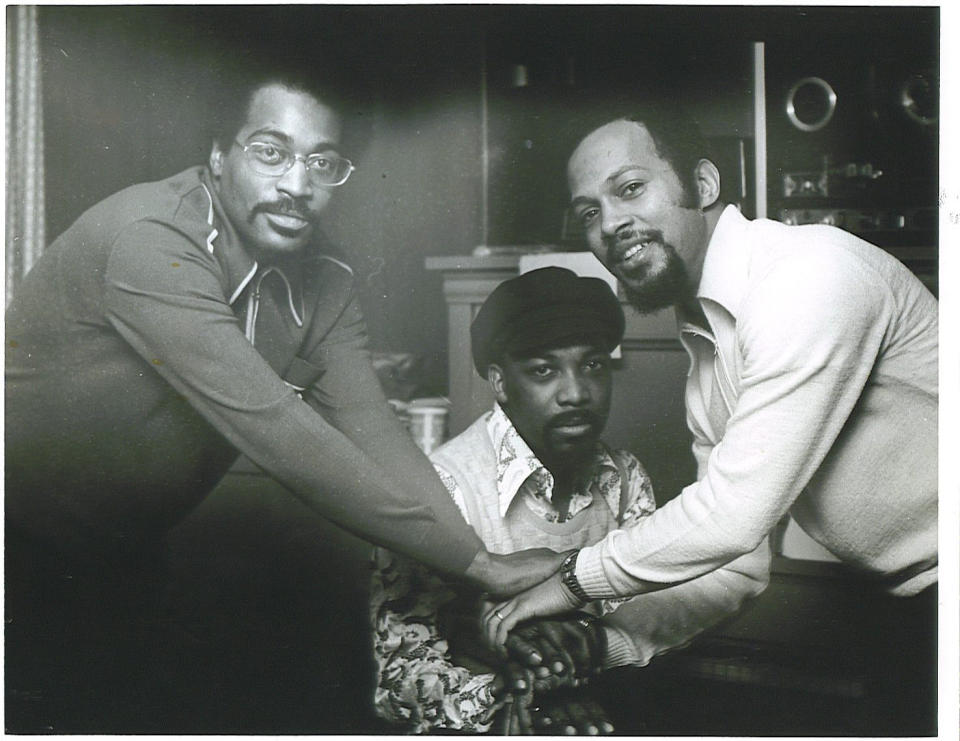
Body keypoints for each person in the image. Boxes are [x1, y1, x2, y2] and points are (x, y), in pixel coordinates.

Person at [4, 65, 560, 732]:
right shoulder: (151, 238)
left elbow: (378, 436)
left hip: (123, 551)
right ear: (217, 156)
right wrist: (479, 565)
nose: (298, 185)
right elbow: (278, 430)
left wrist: (478, 563)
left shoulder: (327, 275)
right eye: (271, 151)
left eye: (322, 162)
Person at [483, 106, 938, 732]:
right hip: (912, 608)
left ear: (703, 185)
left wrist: (570, 580)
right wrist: (603, 642)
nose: (611, 223)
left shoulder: (807, 276)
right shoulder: (706, 343)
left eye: (631, 188)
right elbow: (735, 561)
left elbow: (732, 515)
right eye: (589, 211)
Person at [371, 268, 768, 734]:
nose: (576, 393)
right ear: (500, 383)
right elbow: (397, 676)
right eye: (544, 371)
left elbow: (647, 616)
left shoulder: (624, 477)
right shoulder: (442, 488)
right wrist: (504, 699)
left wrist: (577, 652)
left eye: (593, 365)